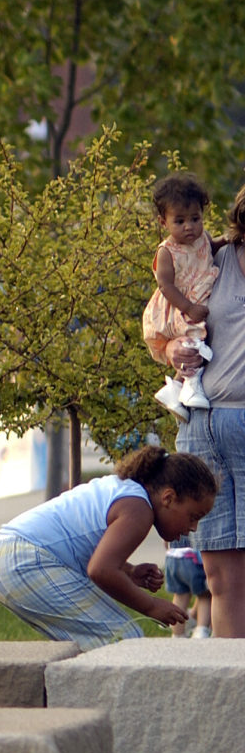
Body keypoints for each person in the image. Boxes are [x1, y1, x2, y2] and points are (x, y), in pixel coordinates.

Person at [0, 446, 214, 650]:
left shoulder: (126, 492)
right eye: (193, 516)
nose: (193, 527)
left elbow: (85, 546)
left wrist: (129, 572)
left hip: (3, 557)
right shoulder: (138, 509)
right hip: (21, 562)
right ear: (169, 498)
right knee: (123, 640)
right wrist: (152, 606)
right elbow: (100, 570)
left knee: (88, 645)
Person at [168, 180, 245, 638]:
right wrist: (174, 349)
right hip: (205, 430)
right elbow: (164, 321)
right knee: (219, 578)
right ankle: (233, 685)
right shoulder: (209, 259)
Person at [143, 173, 218, 416]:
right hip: (178, 305)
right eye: (180, 221)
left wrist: (229, 241)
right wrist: (188, 308)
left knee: (193, 342)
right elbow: (165, 286)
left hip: (193, 300)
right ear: (163, 222)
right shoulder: (167, 251)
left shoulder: (202, 238)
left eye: (195, 219)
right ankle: (192, 385)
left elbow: (212, 248)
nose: (189, 226)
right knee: (193, 341)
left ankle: (175, 389)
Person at [164, 534, 213, 639]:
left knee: (180, 596)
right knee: (205, 596)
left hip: (173, 558)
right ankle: (201, 630)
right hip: (193, 558)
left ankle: (177, 634)